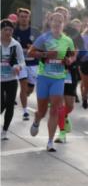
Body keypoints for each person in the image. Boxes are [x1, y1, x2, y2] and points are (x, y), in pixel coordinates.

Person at [27, 13, 76, 151]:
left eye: (60, 22)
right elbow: (30, 52)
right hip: (44, 77)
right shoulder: (44, 38)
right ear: (50, 22)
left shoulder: (67, 40)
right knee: (42, 111)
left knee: (54, 109)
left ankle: (50, 142)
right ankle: (37, 119)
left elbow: (72, 56)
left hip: (59, 78)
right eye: (55, 21)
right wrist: (45, 54)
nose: (57, 24)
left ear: (64, 24)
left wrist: (69, 60)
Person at [0, 19, 26, 139]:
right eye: (5, 30)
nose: (8, 32)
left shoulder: (16, 45)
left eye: (10, 30)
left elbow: (22, 61)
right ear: (1, 30)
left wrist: (18, 67)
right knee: (1, 104)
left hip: (11, 79)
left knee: (10, 104)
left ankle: (5, 131)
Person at [14, 7, 39, 119]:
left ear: (29, 18)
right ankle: (25, 111)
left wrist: (33, 49)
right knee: (23, 86)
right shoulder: (14, 31)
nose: (24, 19)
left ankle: (26, 94)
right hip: (21, 63)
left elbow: (42, 46)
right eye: (22, 17)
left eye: (26, 17)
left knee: (30, 89)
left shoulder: (35, 31)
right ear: (18, 18)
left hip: (33, 63)